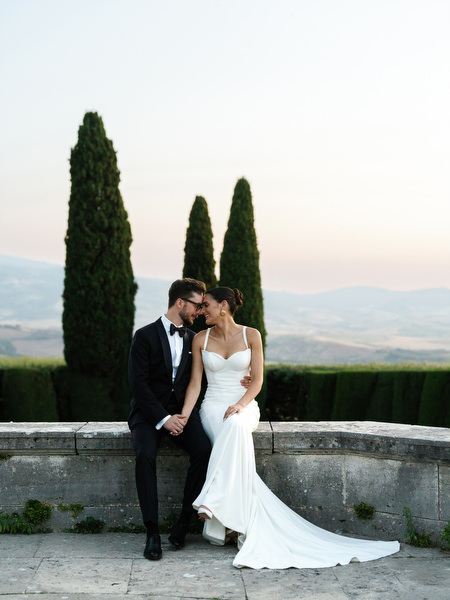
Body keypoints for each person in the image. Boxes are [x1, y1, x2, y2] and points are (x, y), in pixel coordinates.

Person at [180, 286, 400, 569]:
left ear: (223, 305)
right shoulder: (200, 338)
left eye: (206, 305)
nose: (201, 311)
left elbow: (257, 381)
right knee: (231, 434)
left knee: (235, 424)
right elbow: (196, 384)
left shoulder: (252, 336)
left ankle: (215, 503)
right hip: (212, 406)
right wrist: (186, 415)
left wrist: (242, 404)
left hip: (244, 404)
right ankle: (220, 507)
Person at [128, 278, 211, 561]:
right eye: (197, 306)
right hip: (148, 414)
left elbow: (200, 378)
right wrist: (163, 419)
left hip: (182, 413)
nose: (199, 312)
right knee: (145, 456)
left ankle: (183, 522)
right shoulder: (144, 335)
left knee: (204, 450)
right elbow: (138, 386)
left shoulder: (193, 339)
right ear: (180, 303)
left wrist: (183, 417)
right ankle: (152, 531)